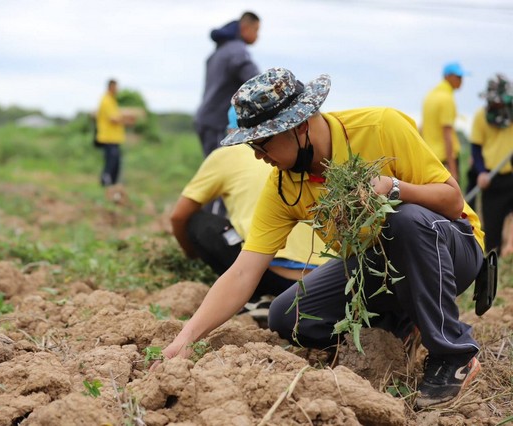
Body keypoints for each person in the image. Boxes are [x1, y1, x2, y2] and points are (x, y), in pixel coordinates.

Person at [161, 68, 485, 410]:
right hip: (376, 269)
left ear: (299, 127)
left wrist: (393, 188)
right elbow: (244, 271)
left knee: (404, 219)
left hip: (451, 248)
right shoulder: (284, 186)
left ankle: (453, 354)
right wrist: (187, 337)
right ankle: (400, 328)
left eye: (262, 143)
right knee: (288, 316)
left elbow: (452, 201)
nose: (258, 155)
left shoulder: (380, 127)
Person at [170, 139, 330, 317]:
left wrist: (191, 254)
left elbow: (178, 216)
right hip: (325, 280)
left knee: (199, 222)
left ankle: (255, 297)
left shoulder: (228, 155)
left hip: (264, 272)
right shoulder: (308, 154)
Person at [194, 11, 260, 157]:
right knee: (222, 167)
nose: (257, 36)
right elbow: (257, 82)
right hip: (217, 122)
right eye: (256, 30)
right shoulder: (238, 51)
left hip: (207, 118)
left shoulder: (221, 50)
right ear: (245, 28)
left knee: (217, 166)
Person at [469, 73, 513, 253]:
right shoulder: (481, 116)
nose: (496, 104)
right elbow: (476, 148)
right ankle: (491, 267)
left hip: (511, 175)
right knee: (491, 234)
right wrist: (480, 172)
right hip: (491, 179)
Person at [421, 62, 467, 182]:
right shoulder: (446, 99)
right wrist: (453, 170)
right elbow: (447, 135)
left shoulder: (430, 96)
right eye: (458, 77)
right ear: (448, 76)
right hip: (445, 159)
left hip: (430, 158)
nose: (461, 80)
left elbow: (422, 128)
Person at [96, 79, 134, 188]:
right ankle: (106, 184)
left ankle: (112, 185)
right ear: (111, 87)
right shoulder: (106, 100)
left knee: (115, 164)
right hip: (108, 138)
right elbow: (113, 119)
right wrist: (127, 121)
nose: (118, 90)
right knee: (111, 164)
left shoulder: (112, 100)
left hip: (114, 138)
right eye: (116, 87)